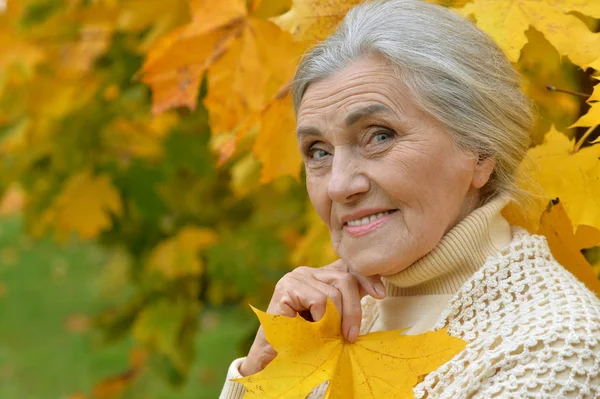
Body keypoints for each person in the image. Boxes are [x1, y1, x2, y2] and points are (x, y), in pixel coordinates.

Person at [220, 0, 600, 397]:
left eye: (379, 135)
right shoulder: (322, 319)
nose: (337, 185)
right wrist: (259, 376)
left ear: (480, 153)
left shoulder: (554, 345)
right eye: (318, 151)